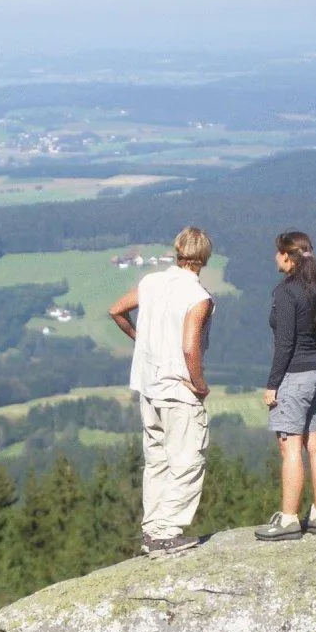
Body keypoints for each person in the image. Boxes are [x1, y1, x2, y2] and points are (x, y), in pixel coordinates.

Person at [109, 227, 216, 555]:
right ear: (204, 258)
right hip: (177, 390)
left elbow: (116, 310)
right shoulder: (199, 298)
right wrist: (199, 384)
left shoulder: (151, 282)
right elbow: (189, 346)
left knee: (156, 459)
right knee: (188, 460)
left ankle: (152, 529)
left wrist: (142, 340)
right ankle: (167, 532)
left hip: (147, 386)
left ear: (177, 251)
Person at [255, 230, 316, 541]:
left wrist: (273, 384)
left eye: (278, 252)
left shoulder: (286, 292)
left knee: (290, 450)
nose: (275, 257)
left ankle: (288, 520)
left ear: (287, 256)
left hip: (294, 378)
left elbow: (284, 344)